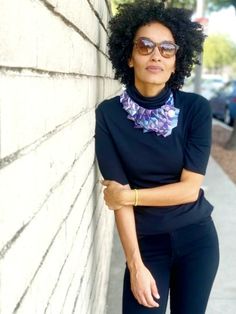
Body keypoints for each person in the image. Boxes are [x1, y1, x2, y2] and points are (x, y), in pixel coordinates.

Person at [95, 1, 219, 313]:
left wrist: (131, 196)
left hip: (197, 240)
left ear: (177, 62)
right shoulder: (109, 115)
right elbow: (117, 200)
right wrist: (135, 265)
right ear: (129, 55)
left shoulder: (195, 110)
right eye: (145, 45)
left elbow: (189, 189)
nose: (156, 55)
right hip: (146, 244)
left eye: (167, 49)